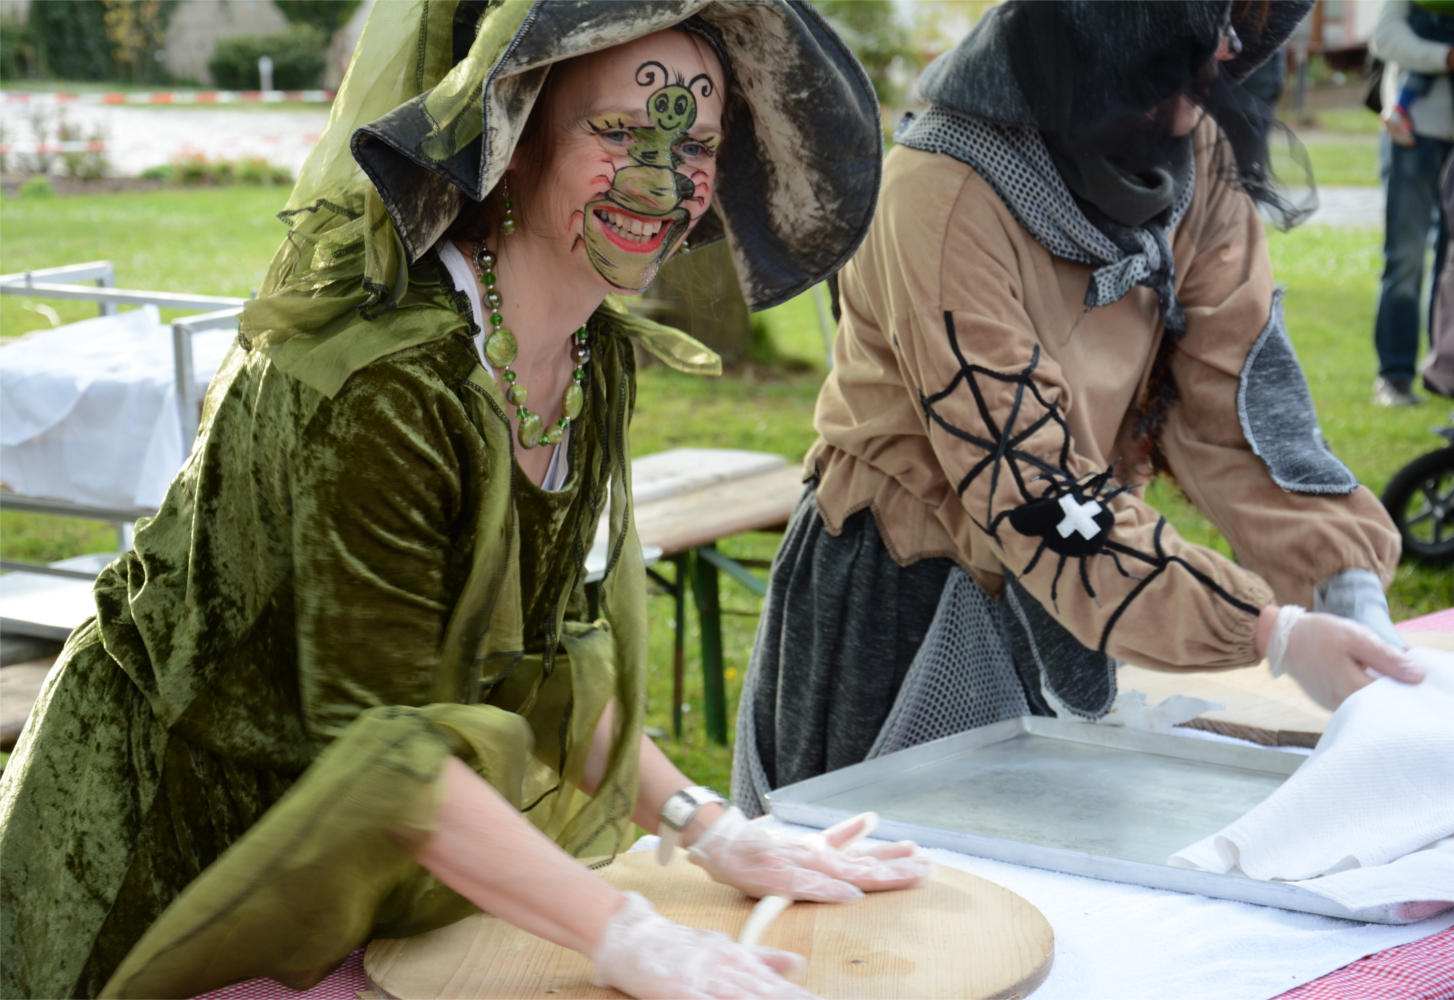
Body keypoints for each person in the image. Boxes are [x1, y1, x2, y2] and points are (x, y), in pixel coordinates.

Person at [0, 5, 930, 999]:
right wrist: (627, 933)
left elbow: (548, 656)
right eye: (618, 130)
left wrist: (713, 827)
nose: (663, 178)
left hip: (346, 850)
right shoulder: (379, 387)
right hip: (171, 851)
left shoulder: (588, 354)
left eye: (696, 141)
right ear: (513, 137)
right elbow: (383, 746)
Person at [733, 0, 1426, 816]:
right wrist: (1268, 632)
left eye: (1208, 76)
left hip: (1076, 564)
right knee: (886, 894)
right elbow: (1030, 487)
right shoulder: (941, 198)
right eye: (1164, 80)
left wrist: (1342, 581)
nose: (1186, 110)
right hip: (907, 594)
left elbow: (1239, 406)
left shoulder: (1191, 151)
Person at [1370, 0, 1454, 406]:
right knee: (1404, 260)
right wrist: (1451, 58)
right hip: (1412, 135)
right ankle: (1395, 376)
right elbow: (1385, 39)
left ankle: (1447, 370)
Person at [1385, 0, 1454, 144]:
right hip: (1421, 130)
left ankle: (1399, 109)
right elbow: (1384, 37)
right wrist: (1450, 58)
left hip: (1431, 15)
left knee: (1422, 70)